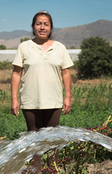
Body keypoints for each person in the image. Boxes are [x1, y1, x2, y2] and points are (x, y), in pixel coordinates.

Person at [11, 11, 74, 173]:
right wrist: (14, 99)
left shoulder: (59, 48)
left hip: (54, 100)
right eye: (39, 24)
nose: (42, 27)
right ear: (33, 27)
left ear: (51, 27)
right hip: (30, 100)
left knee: (52, 139)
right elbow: (16, 73)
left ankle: (52, 169)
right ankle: (36, 169)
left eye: (46, 24)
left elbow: (66, 72)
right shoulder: (24, 47)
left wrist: (67, 96)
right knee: (34, 138)